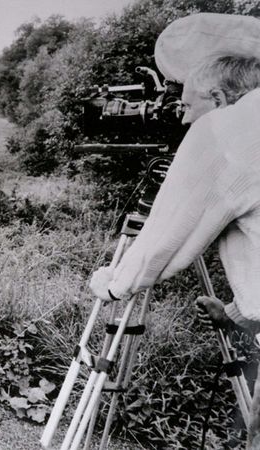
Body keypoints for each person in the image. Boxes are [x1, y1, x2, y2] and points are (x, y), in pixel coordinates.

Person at [89, 49, 260, 450]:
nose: (180, 119)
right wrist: (236, 313)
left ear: (218, 100)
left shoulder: (227, 129)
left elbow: (171, 231)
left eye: (186, 106)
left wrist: (116, 283)